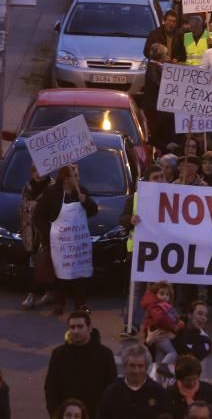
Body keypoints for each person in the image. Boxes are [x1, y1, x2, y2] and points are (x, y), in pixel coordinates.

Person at [34, 163, 98, 315]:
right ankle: (59, 303)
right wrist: (50, 233)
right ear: (65, 178)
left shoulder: (81, 191)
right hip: (59, 243)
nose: (78, 178)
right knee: (59, 274)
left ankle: (80, 303)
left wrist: (86, 201)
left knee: (81, 274)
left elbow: (93, 211)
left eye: (77, 175)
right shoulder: (51, 193)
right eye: (74, 175)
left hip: (79, 242)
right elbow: (39, 216)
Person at [44, 309, 117, 418]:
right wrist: (55, 414)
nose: (76, 331)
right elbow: (51, 388)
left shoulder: (105, 355)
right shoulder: (58, 354)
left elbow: (110, 389)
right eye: (72, 327)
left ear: (89, 328)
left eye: (80, 326)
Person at [97, 344, 171, 418]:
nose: (136, 371)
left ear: (146, 367)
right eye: (132, 366)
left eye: (140, 366)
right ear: (125, 366)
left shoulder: (159, 393)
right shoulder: (111, 392)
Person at [19, 165, 53, 310]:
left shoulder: (52, 187)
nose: (37, 174)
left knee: (40, 264)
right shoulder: (27, 187)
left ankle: (32, 294)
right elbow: (22, 208)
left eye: (41, 170)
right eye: (34, 171)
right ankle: (48, 291)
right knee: (35, 263)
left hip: (46, 232)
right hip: (30, 232)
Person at [165, 354, 212, 419]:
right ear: (179, 378)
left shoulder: (209, 390)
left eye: (195, 379)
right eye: (188, 380)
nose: (192, 383)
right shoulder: (169, 394)